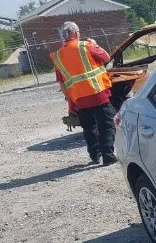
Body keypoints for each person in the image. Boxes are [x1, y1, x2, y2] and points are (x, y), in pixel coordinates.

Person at [50, 21, 118, 165]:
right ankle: (108, 156)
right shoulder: (86, 46)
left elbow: (62, 83)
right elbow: (106, 58)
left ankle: (94, 155)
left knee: (88, 127)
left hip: (79, 99)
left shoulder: (58, 56)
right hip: (98, 93)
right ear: (76, 33)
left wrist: (70, 103)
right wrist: (95, 43)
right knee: (105, 125)